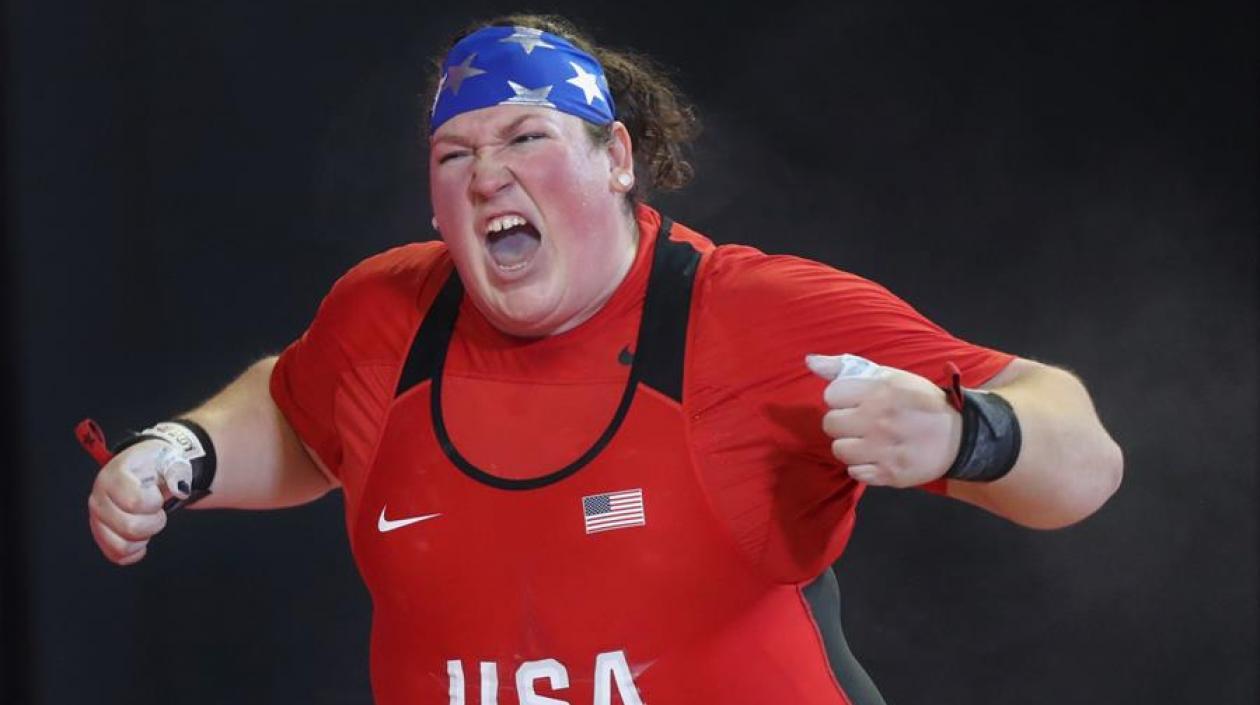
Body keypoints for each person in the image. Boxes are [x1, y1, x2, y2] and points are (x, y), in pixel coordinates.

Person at [82, 13, 1123, 705]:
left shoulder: (755, 315)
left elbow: (1083, 455)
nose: (487, 175)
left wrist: (968, 434)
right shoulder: (383, 313)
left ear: (616, 157)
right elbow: (298, 412)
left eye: (526, 138)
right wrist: (182, 450)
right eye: (454, 154)